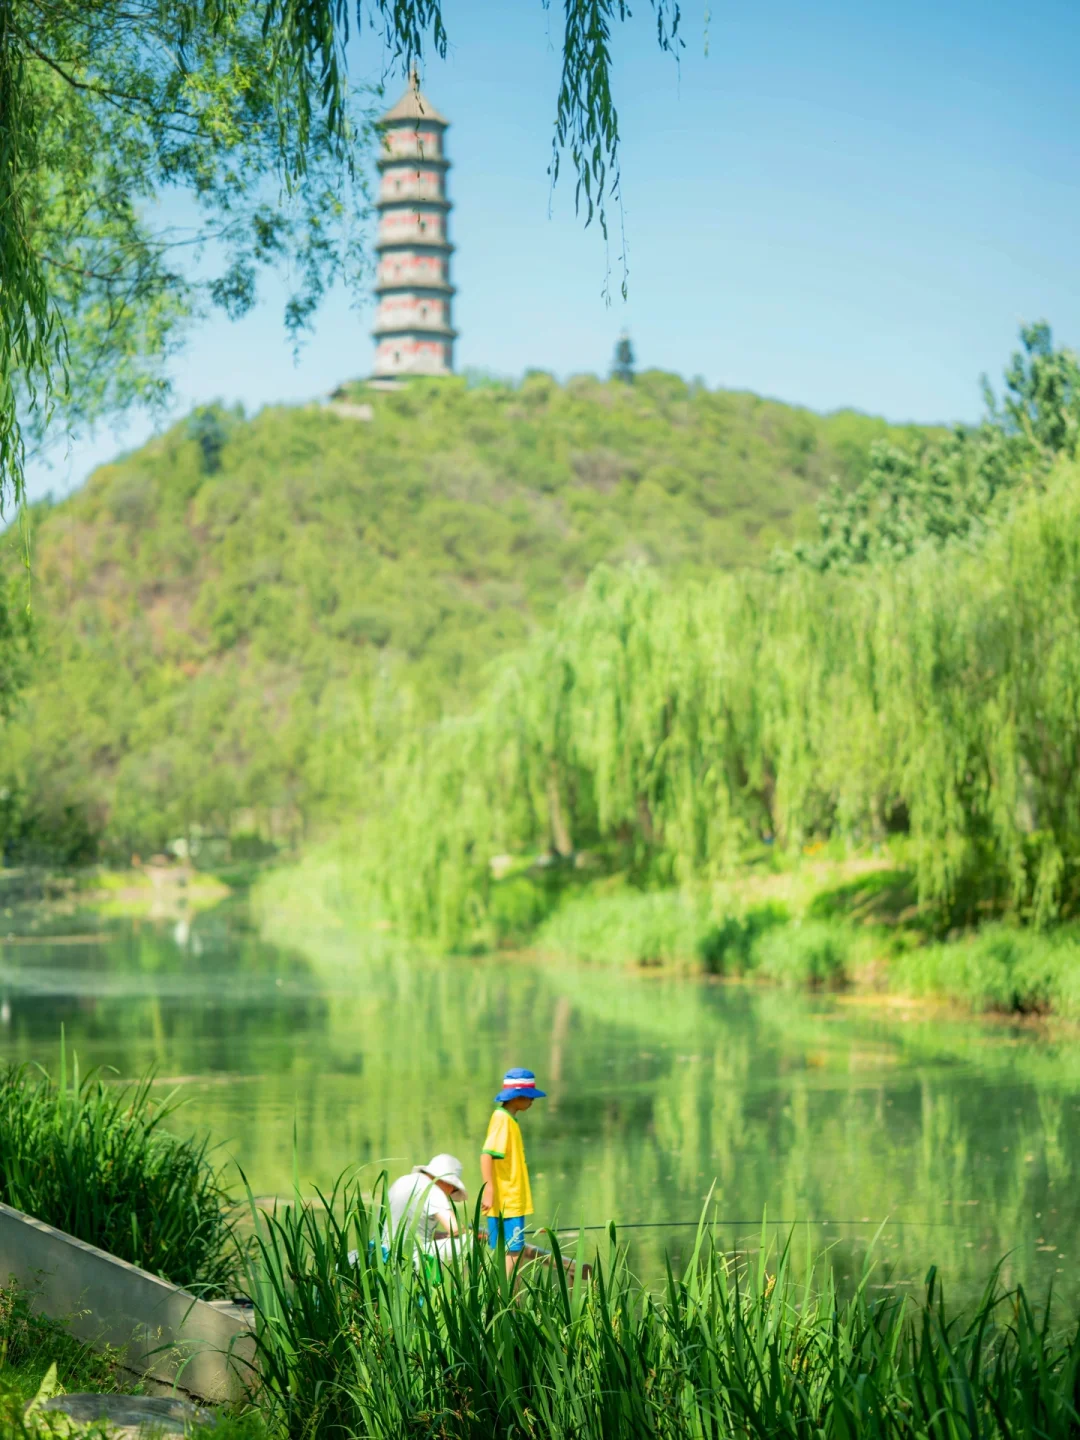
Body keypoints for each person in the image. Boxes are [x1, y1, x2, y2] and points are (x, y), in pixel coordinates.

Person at [480, 1067, 546, 1276]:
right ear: (517, 1097)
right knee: (513, 1254)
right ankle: (507, 1295)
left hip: (506, 1200)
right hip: (507, 1201)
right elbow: (486, 1155)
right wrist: (489, 1189)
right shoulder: (502, 1120)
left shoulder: (508, 1119)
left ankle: (505, 1294)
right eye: (529, 1096)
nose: (532, 1101)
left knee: (509, 1253)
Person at [384, 1154, 468, 1274]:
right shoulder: (433, 1189)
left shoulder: (403, 1180)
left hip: (384, 1252)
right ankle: (462, 1286)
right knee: (469, 1243)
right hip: (408, 1256)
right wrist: (473, 1233)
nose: (450, 1193)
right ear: (449, 1183)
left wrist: (442, 1235)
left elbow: (408, 1230)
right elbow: (455, 1228)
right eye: (454, 1189)